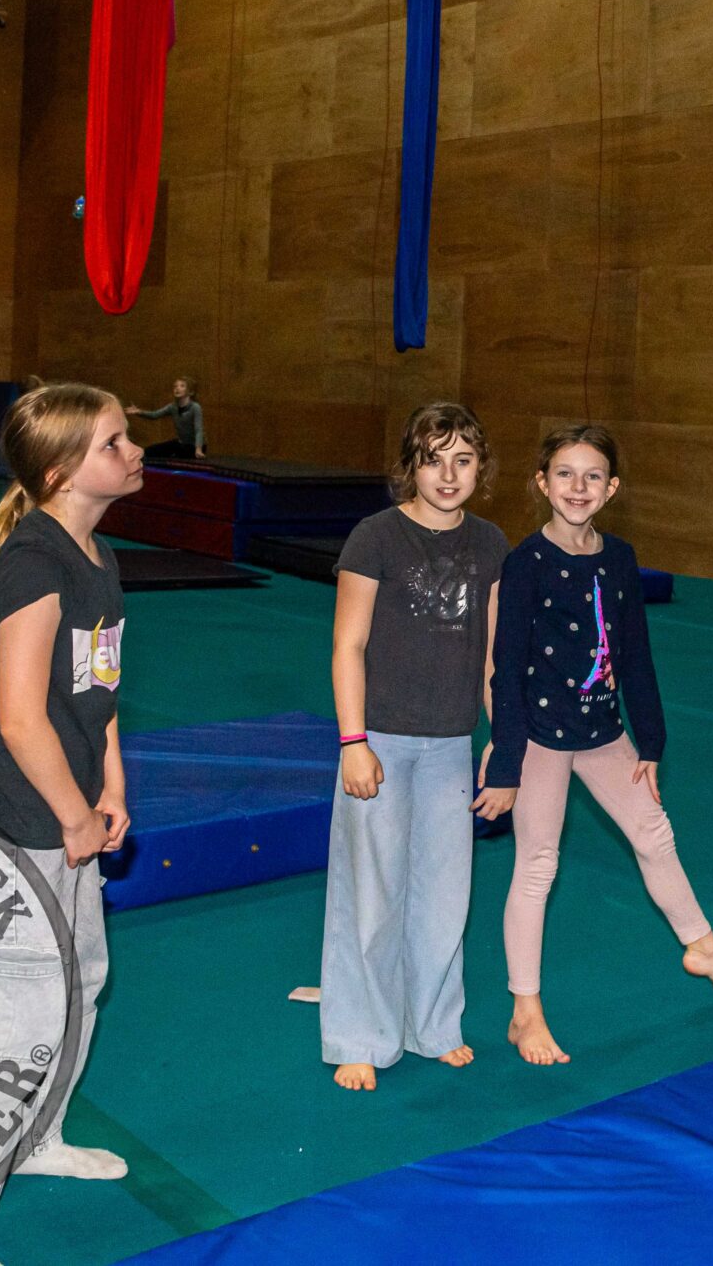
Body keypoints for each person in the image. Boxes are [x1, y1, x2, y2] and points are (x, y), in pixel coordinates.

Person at [0, 384, 143, 1266]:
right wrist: (74, 813)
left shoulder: (96, 552)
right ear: (61, 471)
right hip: (13, 824)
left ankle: (34, 1139)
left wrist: (111, 786)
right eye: (115, 442)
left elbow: (100, 689)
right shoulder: (34, 568)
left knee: (79, 983)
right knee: (6, 1019)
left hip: (66, 815)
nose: (133, 452)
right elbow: (19, 719)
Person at [479, 424, 713, 1065]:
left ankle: (700, 942)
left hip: (601, 730)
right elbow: (504, 667)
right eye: (564, 474)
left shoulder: (618, 558)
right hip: (539, 736)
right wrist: (505, 761)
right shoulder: (525, 564)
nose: (578, 487)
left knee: (654, 832)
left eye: (593, 476)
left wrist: (650, 740)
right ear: (542, 484)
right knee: (538, 866)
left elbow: (634, 654)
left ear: (612, 488)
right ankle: (525, 1011)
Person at [319, 402, 510, 1091]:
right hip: (383, 739)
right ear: (412, 465)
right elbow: (348, 644)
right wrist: (353, 740)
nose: (449, 473)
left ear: (480, 467)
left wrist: (504, 743)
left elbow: (493, 657)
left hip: (451, 743)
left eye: (463, 459)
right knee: (370, 891)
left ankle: (432, 1024)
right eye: (434, 458)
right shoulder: (376, 538)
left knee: (443, 893)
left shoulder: (490, 543)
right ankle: (360, 1032)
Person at [125, 377, 205, 458]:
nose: (177, 388)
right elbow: (154, 415)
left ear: (190, 392)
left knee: (177, 454)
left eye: (182, 386)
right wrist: (139, 412)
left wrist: (198, 449)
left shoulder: (195, 407)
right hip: (182, 443)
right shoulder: (172, 407)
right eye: (175, 386)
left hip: (194, 446)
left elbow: (198, 430)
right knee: (151, 451)